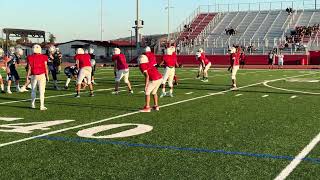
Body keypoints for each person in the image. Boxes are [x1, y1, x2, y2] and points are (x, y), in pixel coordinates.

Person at [26, 44, 49, 111]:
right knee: (42, 91)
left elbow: (29, 68)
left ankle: (32, 104)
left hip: (33, 75)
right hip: (41, 75)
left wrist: (27, 76)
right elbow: (45, 67)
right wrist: (47, 76)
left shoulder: (30, 57)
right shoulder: (44, 56)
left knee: (33, 90)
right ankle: (41, 106)